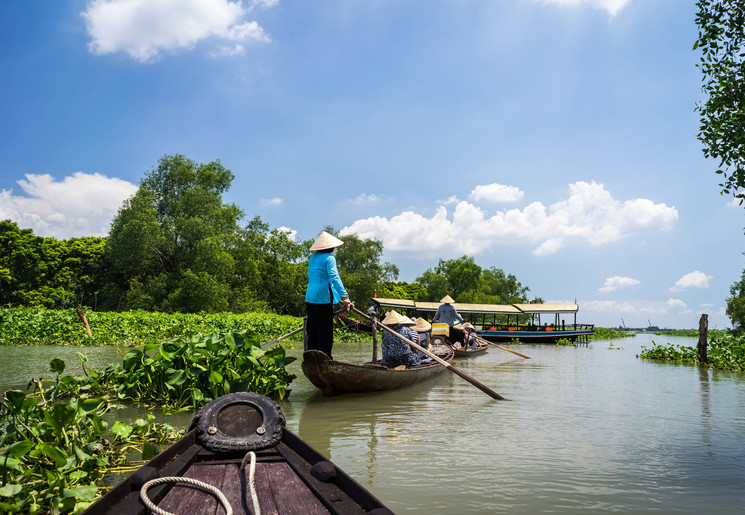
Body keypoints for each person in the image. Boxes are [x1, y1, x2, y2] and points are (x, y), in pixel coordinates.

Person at [305, 231, 352, 359]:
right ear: (330, 247)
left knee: (312, 328)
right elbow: (334, 278)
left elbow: (319, 278)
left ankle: (311, 355)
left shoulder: (313, 257)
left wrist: (339, 298)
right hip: (322, 297)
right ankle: (325, 357)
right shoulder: (329, 258)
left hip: (310, 295)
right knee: (325, 329)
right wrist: (345, 297)